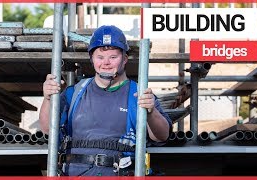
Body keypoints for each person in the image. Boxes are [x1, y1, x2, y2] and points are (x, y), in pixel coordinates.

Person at [39, 25, 172, 176]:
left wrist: (151, 112)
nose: (106, 63)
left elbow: (162, 136)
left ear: (124, 59)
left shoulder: (139, 94)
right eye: (100, 57)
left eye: (113, 57)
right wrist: (48, 99)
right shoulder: (75, 92)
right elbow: (47, 129)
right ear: (92, 59)